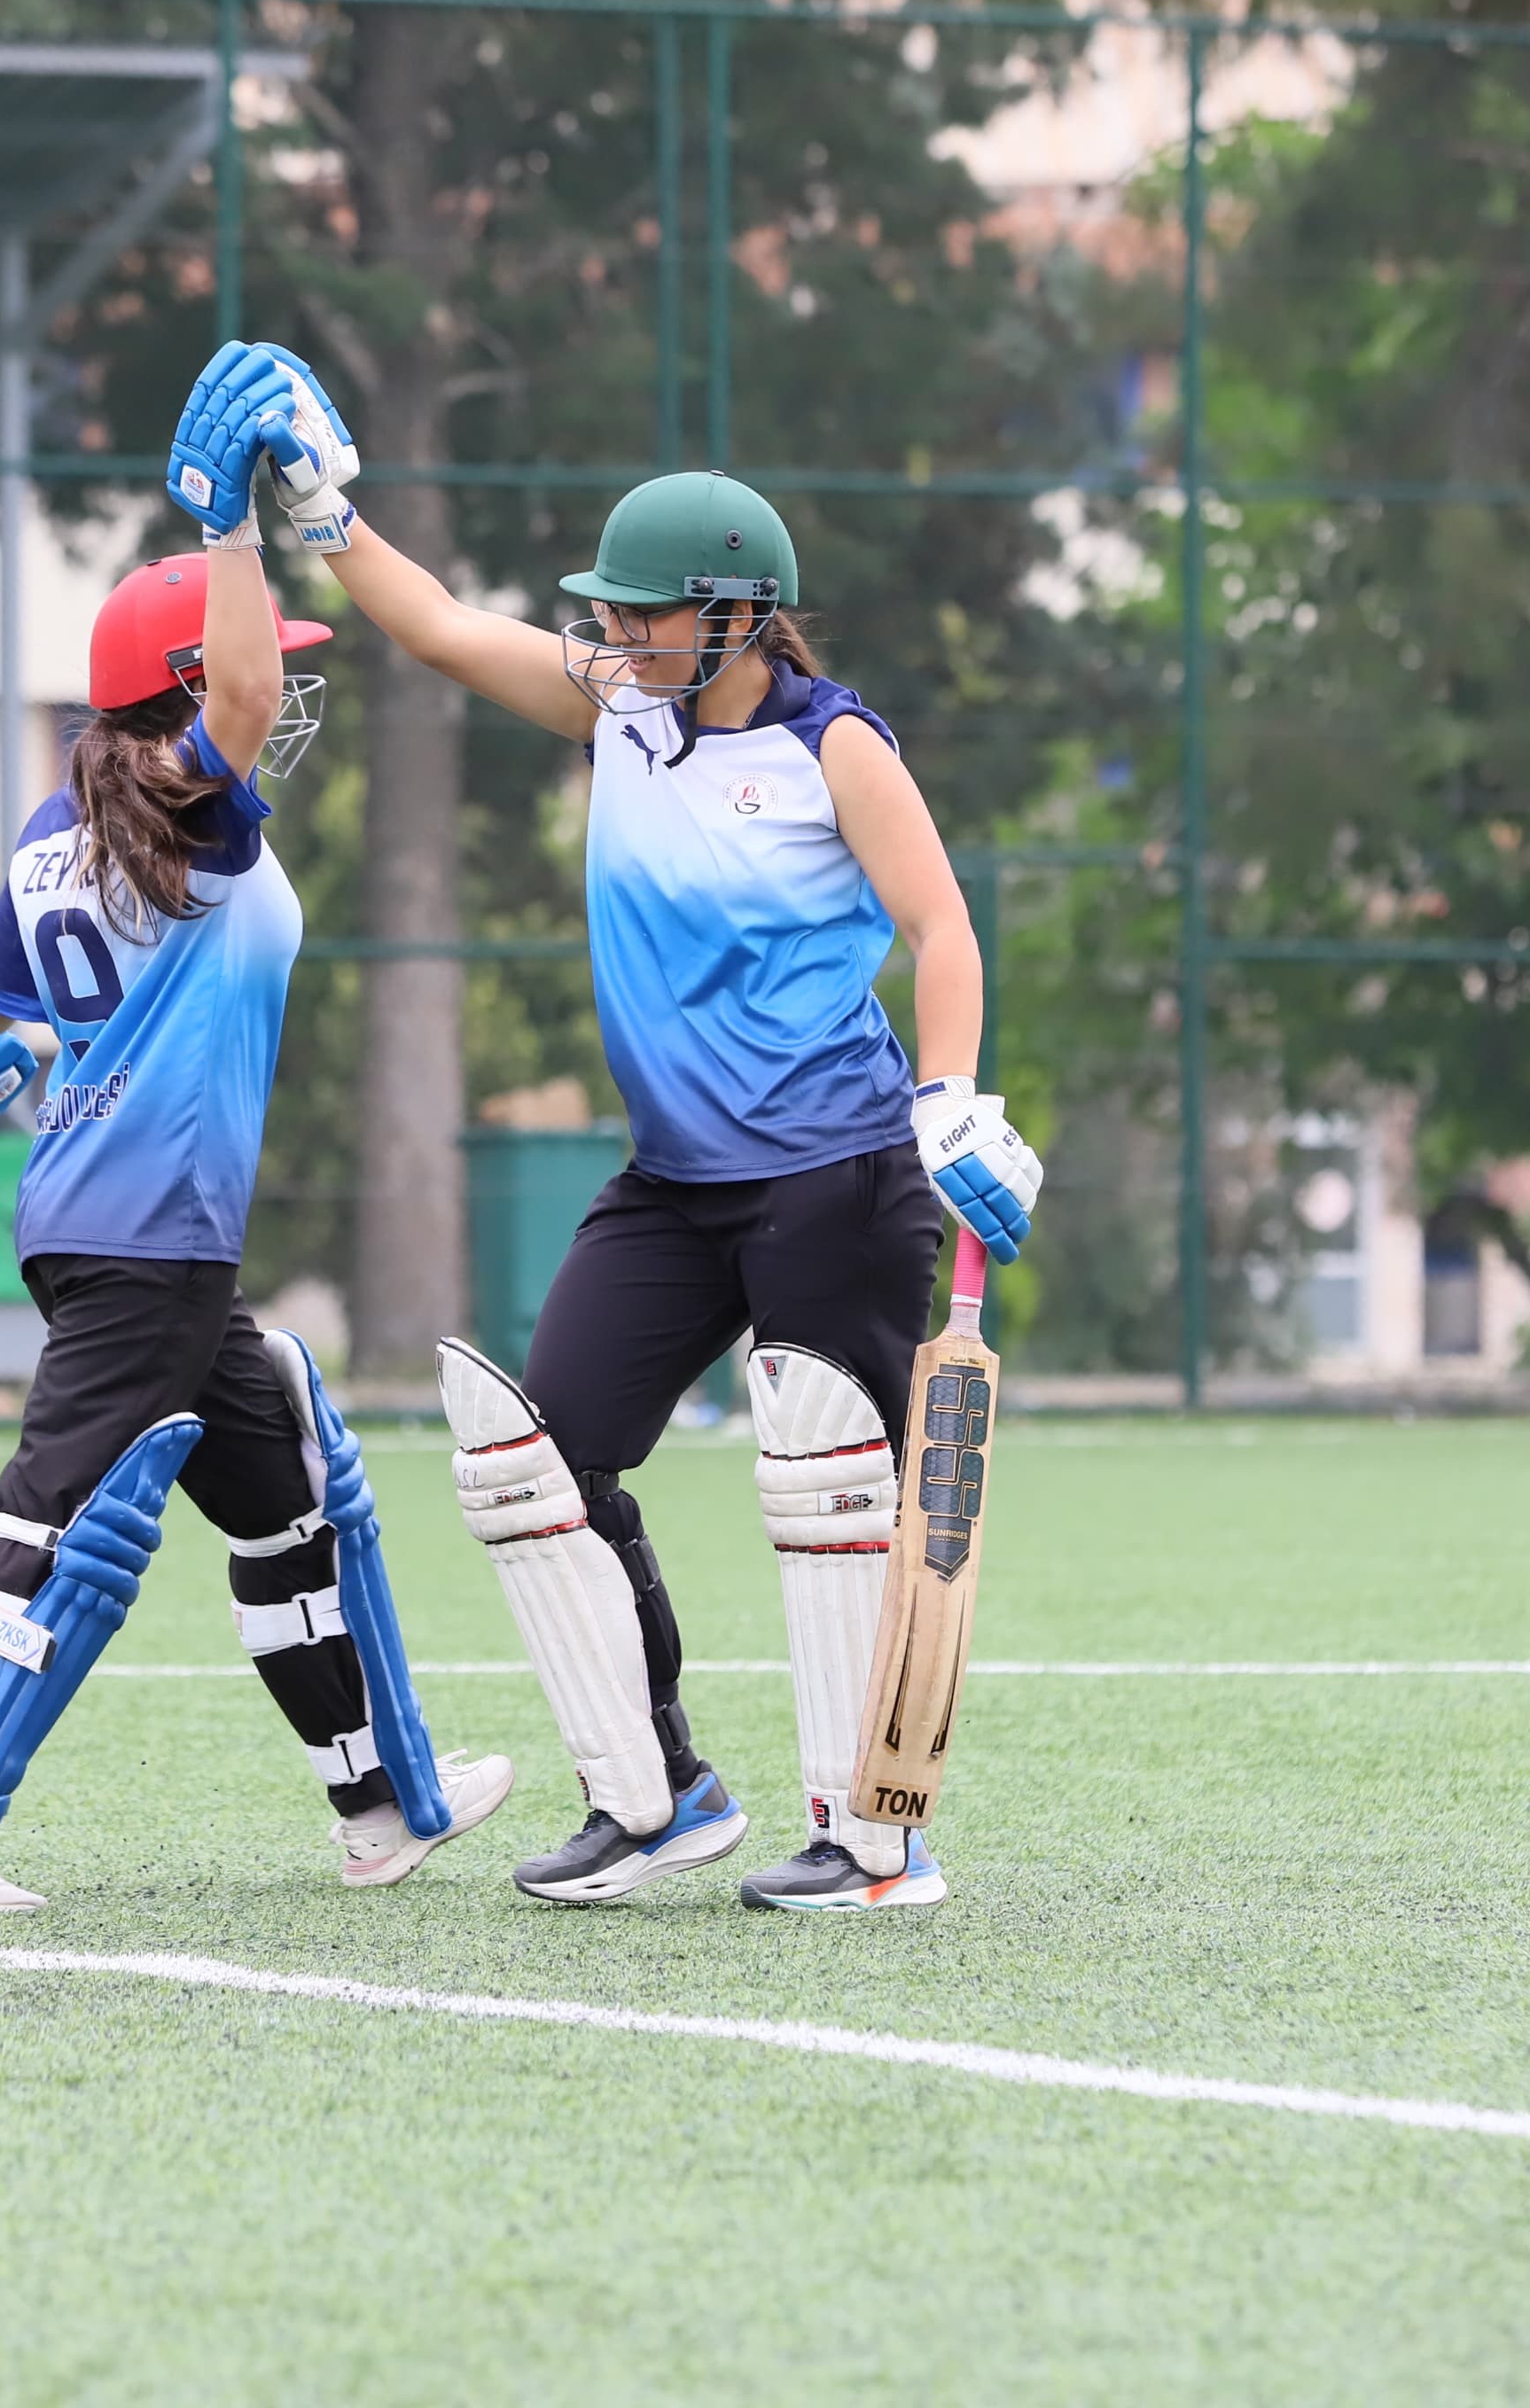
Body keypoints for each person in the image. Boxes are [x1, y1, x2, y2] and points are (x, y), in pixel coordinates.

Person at [179, 342, 1044, 1914]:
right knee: (549, 1455)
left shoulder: (836, 744)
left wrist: (952, 1093)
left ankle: (875, 1834)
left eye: (642, 612)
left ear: (733, 613)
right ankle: (658, 1796)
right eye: (608, 612)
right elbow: (440, 628)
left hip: (840, 1176)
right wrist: (317, 511)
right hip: (676, 1182)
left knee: (835, 1487)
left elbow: (942, 927)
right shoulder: (618, 708)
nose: (612, 634)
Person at [0, 527, 511, 1915]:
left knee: (282, 1505)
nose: (283, 695)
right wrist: (237, 535)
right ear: (189, 687)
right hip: (144, 1237)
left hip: (109, 1226)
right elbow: (246, 707)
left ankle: (375, 1806)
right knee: (52, 1518)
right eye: (252, 671)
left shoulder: (57, 825)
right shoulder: (186, 800)